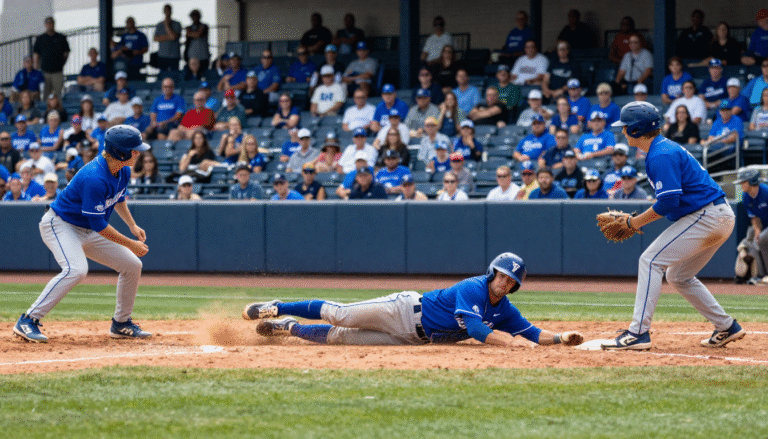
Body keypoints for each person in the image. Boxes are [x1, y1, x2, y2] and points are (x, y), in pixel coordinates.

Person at [600, 101, 744, 350]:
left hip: (707, 215)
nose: (622, 131)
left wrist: (633, 222)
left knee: (650, 260)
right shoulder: (661, 149)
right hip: (718, 215)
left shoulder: (660, 154)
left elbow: (668, 201)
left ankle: (638, 333)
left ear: (636, 130)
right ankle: (726, 326)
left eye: (625, 127)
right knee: (678, 275)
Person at [247, 251, 586, 348]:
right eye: (501, 274)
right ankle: (277, 306)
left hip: (412, 340)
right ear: (491, 273)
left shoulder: (506, 309)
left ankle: (288, 328)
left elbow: (530, 332)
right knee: (341, 315)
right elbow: (476, 329)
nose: (504, 281)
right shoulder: (474, 288)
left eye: (510, 280)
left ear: (514, 287)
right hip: (404, 311)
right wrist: (507, 343)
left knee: (339, 338)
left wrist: (560, 339)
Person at [13, 126, 151, 343]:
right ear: (120, 152)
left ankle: (121, 323)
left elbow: (118, 198)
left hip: (86, 228)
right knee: (76, 270)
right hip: (60, 225)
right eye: (134, 150)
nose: (138, 153)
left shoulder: (122, 170)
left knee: (132, 266)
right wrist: (131, 243)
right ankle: (28, 319)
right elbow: (99, 225)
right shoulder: (94, 177)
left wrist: (132, 225)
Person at [733, 169, 768, 284]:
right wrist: (757, 230)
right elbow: (754, 217)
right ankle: (761, 275)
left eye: (744, 182)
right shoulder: (745, 197)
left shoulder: (766, 191)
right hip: (763, 224)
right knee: (754, 242)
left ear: (752, 181)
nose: (741, 185)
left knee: (762, 238)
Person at [33, 17, 70, 99]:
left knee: (58, 95)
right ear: (45, 25)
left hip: (58, 72)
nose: (50, 25)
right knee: (45, 95)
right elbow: (36, 55)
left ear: (54, 24)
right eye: (48, 23)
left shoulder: (61, 37)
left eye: (51, 23)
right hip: (44, 72)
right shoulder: (40, 39)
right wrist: (36, 69)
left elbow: (66, 53)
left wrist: (61, 63)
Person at [153, 4, 182, 71]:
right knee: (163, 75)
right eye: (166, 10)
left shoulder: (177, 24)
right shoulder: (159, 25)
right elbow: (155, 38)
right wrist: (168, 37)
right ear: (163, 11)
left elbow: (174, 37)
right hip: (162, 55)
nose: (167, 12)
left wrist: (166, 24)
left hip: (174, 55)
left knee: (174, 75)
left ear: (171, 11)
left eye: (168, 10)